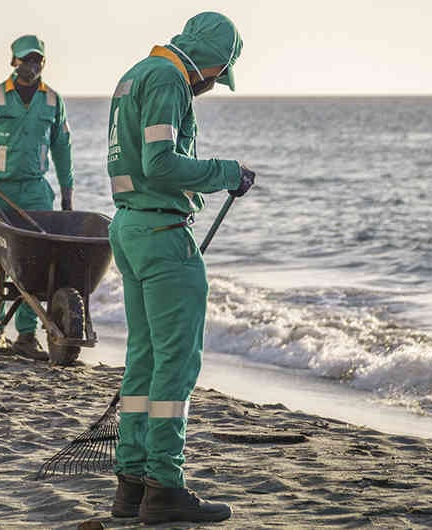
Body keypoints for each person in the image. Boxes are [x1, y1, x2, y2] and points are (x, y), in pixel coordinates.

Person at [105, 12, 255, 524]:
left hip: (129, 227)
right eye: (218, 73)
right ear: (212, 61)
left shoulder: (136, 75)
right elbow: (161, 162)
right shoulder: (170, 79)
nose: (213, 84)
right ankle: (165, 486)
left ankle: (131, 485)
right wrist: (227, 172)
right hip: (163, 235)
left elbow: (141, 162)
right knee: (175, 364)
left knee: (144, 359)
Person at [0, 34, 74, 361]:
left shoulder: (52, 101)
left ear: (44, 62)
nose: (31, 66)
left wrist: (67, 193)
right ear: (14, 61)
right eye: (26, 59)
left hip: (36, 191)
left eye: (37, 59)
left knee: (35, 264)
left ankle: (26, 335)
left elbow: (62, 148)